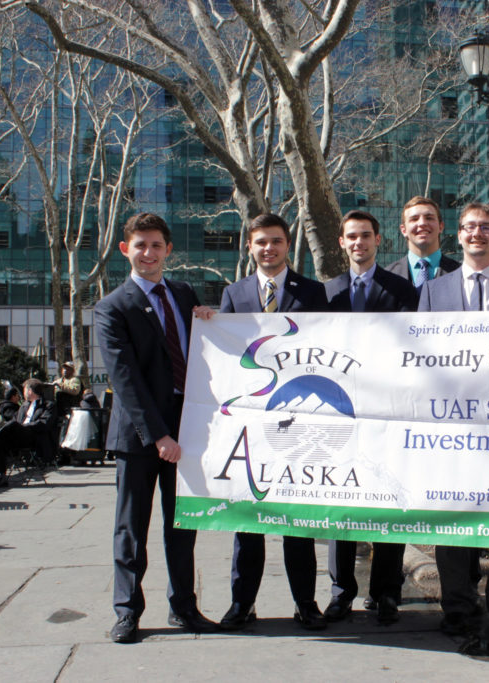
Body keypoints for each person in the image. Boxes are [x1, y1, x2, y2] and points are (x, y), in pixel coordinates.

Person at [95, 212, 218, 644]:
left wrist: (211, 319)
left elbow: (204, 354)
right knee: (132, 528)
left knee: (181, 526)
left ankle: (183, 607)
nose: (148, 253)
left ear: (168, 250)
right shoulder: (113, 307)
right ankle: (127, 611)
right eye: (140, 245)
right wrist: (159, 435)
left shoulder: (184, 294)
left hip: (187, 432)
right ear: (125, 249)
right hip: (140, 438)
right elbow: (125, 380)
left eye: (156, 245)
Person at [418, 201, 489, 637]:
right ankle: (458, 606)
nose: (476, 234)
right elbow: (419, 360)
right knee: (450, 515)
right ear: (459, 235)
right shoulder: (433, 292)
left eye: (486, 227)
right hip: (452, 427)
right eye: (469, 227)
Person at [219, 213, 330, 632]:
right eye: (261, 242)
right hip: (251, 425)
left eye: (277, 241)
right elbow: (226, 357)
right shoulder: (234, 294)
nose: (269, 249)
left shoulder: (314, 292)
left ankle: (306, 603)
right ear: (250, 247)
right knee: (247, 524)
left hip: (299, 424)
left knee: (297, 522)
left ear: (289, 245)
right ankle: (241, 604)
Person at [323, 210, 417, 626]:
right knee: (339, 504)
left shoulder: (403, 290)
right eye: (351, 237)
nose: (358, 243)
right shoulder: (326, 294)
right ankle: (341, 591)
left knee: (388, 502)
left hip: (387, 413)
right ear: (341, 243)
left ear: (379, 240)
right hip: (340, 414)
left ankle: (386, 592)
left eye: (366, 236)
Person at [0, 378, 57, 487]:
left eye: (24, 390)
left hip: (34, 438)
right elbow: (15, 419)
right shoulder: (24, 406)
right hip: (19, 437)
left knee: (11, 426)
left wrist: (24, 426)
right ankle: (2, 477)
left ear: (30, 391)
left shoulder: (48, 405)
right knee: (1, 440)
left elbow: (44, 423)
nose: (23, 393)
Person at [385, 196, 460, 290]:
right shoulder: (387, 276)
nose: (422, 223)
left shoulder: (461, 273)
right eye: (414, 219)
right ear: (403, 230)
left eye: (429, 218)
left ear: (441, 226)